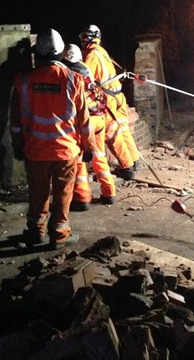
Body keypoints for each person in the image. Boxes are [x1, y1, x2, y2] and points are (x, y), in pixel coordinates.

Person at [9, 28, 95, 248]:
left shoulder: (23, 81)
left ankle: (36, 232)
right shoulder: (73, 79)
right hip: (65, 152)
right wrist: (88, 147)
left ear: (36, 55)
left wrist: (18, 146)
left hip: (36, 150)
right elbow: (84, 121)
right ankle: (59, 235)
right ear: (60, 54)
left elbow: (16, 121)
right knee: (63, 194)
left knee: (37, 194)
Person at [79, 24, 140, 180]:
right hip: (118, 95)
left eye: (85, 37)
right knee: (122, 129)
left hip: (109, 98)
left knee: (112, 133)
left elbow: (85, 78)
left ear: (91, 38)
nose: (83, 40)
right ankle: (134, 160)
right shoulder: (102, 52)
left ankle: (127, 168)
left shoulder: (92, 55)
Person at [63, 43, 117, 207]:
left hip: (88, 122)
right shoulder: (86, 71)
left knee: (78, 159)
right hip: (100, 118)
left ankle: (82, 198)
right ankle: (109, 193)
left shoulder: (69, 75)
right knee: (99, 155)